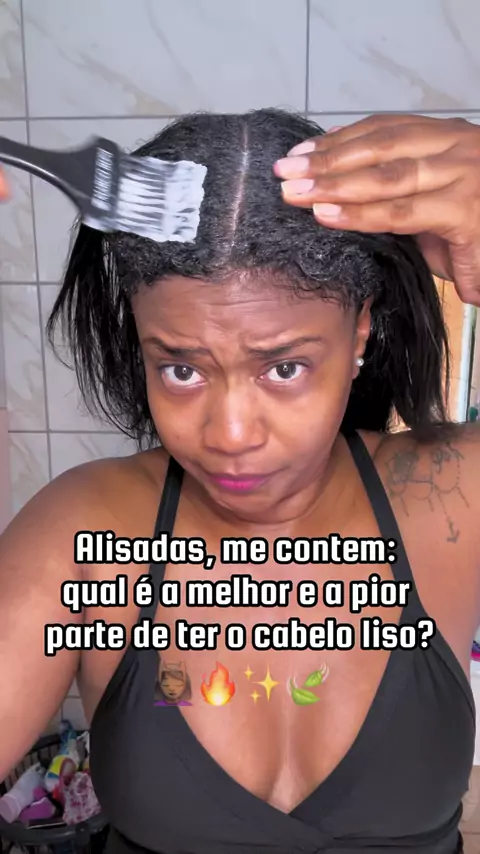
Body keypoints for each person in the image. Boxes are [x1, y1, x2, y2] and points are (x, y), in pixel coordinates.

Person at [1, 109, 480, 854]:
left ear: (359, 330)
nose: (229, 436)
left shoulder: (451, 495)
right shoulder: (81, 534)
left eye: (284, 367)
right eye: (180, 369)